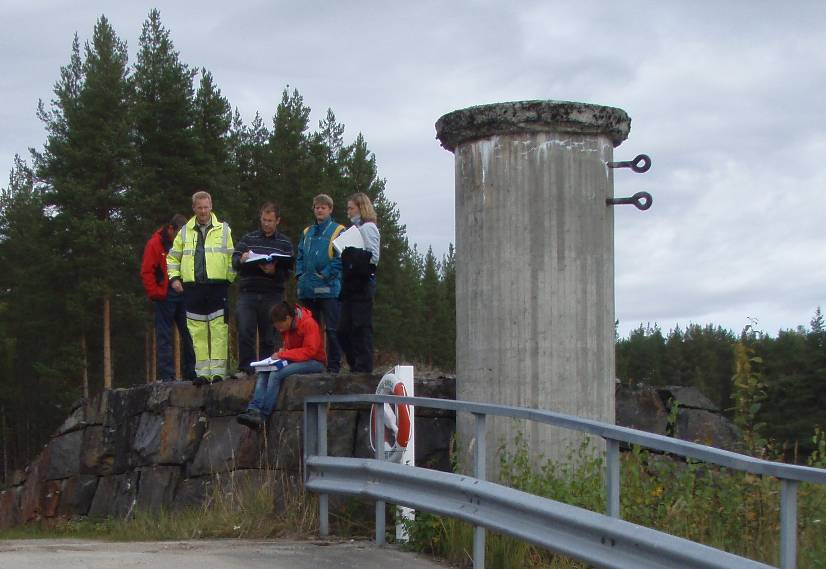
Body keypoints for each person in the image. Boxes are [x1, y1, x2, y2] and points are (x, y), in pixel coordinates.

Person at [167, 191, 235, 385]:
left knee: (218, 330)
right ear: (194, 208)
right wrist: (174, 279)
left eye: (206, 207)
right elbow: (172, 257)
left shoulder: (224, 230)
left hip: (217, 286)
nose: (203, 211)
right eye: (200, 208)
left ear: (211, 206)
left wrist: (228, 279)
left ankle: (218, 373)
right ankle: (203, 373)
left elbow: (232, 257)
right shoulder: (185, 231)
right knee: (197, 332)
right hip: (193, 287)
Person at [237, 302, 326, 428]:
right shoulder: (287, 328)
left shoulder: (308, 324)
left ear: (288, 318)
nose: (277, 328)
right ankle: (253, 409)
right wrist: (283, 352)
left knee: (276, 374)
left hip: (315, 362)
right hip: (297, 359)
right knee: (264, 372)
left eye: (279, 324)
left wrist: (284, 355)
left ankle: (263, 415)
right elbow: (291, 348)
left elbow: (310, 351)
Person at [231, 202, 294, 379]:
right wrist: (242, 259)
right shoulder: (248, 239)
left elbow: (288, 271)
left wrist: (274, 271)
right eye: (264, 220)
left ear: (278, 221)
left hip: (272, 293)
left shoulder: (284, 243)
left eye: (270, 220)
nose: (266, 223)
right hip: (248, 292)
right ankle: (246, 369)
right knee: (245, 330)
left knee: (269, 334)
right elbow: (234, 261)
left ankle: (266, 369)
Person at [140, 214, 196, 382]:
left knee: (190, 333)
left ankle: (191, 373)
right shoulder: (155, 244)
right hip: (165, 295)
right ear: (171, 229)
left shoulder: (187, 243)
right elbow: (147, 272)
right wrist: (157, 293)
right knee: (164, 336)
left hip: (184, 293)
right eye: (179, 234)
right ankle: (168, 376)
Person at [295, 194, 345, 373]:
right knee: (311, 331)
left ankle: (333, 366)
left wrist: (325, 275)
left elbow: (341, 258)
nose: (320, 210)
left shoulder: (339, 230)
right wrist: (299, 274)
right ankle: (314, 363)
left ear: (330, 209)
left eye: (323, 207)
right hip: (308, 290)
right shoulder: (307, 231)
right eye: (317, 207)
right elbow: (299, 255)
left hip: (329, 289)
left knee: (332, 330)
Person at [338, 192, 380, 373]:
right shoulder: (354, 230)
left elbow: (373, 257)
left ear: (361, 208)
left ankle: (364, 367)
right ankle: (355, 364)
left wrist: (351, 254)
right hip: (350, 284)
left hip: (362, 283)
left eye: (351, 208)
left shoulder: (369, 228)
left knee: (360, 326)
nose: (348, 212)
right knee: (343, 329)